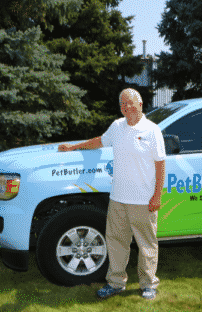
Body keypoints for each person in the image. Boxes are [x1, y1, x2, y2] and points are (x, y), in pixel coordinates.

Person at [58, 88, 166, 300]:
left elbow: (161, 166)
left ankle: (148, 284)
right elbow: (100, 141)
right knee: (116, 243)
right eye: (122, 104)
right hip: (118, 199)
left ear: (140, 104)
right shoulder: (117, 127)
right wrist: (73, 148)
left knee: (146, 245)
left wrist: (157, 196)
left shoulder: (153, 131)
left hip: (143, 201)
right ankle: (115, 283)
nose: (126, 107)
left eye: (130, 103)